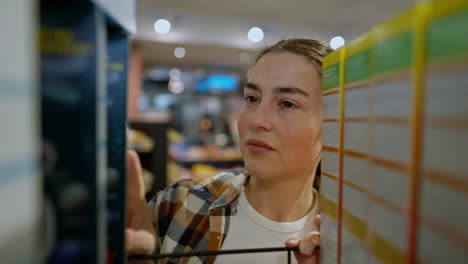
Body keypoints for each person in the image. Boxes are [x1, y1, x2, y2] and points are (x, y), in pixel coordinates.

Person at [125, 38, 333, 264]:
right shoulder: (178, 205)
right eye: (252, 98)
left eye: (287, 103)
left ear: (334, 123)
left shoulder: (345, 241)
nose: (257, 120)